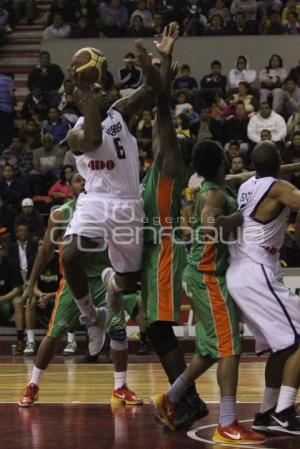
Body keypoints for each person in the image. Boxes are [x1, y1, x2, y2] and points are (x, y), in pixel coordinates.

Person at [152, 140, 265, 445]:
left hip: (202, 274)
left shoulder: (217, 184)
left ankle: (170, 397)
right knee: (230, 348)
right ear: (220, 164)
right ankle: (226, 423)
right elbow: (212, 224)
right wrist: (238, 218)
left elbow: (251, 177)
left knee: (209, 350)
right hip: (208, 277)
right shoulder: (214, 195)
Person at [63, 40, 162, 356]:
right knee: (69, 256)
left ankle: (111, 291)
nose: (104, 93)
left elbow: (153, 91)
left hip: (128, 203)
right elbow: (93, 139)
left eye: (103, 90)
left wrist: (148, 66)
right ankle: (91, 317)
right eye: (97, 92)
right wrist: (87, 98)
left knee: (129, 281)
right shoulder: (76, 133)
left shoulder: (120, 111)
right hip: (95, 199)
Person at [19, 173, 143, 406]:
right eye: (78, 180)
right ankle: (33, 384)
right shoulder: (60, 214)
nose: (83, 183)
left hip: (103, 278)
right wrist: (31, 283)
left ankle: (120, 386)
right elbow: (45, 251)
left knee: (118, 328)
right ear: (69, 186)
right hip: (72, 282)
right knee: (54, 334)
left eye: (87, 179)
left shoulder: (109, 209)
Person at [141, 23, 208, 429]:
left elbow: (162, 109)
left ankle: (188, 401)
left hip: (165, 250)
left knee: (160, 329)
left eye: (158, 133)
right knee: (155, 331)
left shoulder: (169, 166)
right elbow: (157, 114)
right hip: (153, 250)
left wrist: (164, 61)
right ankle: (185, 399)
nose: (152, 132)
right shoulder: (157, 169)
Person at [226, 141, 300, 435]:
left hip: (244, 270)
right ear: (279, 161)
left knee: (280, 348)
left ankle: (266, 412)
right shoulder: (278, 186)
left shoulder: (248, 184)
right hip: (257, 270)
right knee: (298, 340)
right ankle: (284, 409)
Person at [23, 239, 62, 356]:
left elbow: (67, 286)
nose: (42, 247)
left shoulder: (60, 259)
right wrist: (41, 295)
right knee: (30, 302)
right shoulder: (34, 260)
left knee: (69, 301)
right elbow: (32, 285)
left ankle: (71, 342)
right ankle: (30, 342)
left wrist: (49, 296)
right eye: (40, 244)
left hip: (58, 294)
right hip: (41, 295)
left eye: (44, 244)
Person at [0, 242, 24, 354]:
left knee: (18, 303)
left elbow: (17, 289)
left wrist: (3, 298)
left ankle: (20, 340)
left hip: (10, 296)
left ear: (3, 251)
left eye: (0, 249)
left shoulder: (11, 265)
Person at [0, 72, 16, 151]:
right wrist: (14, 103)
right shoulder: (9, 80)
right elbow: (12, 95)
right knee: (7, 133)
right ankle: (5, 150)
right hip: (6, 110)